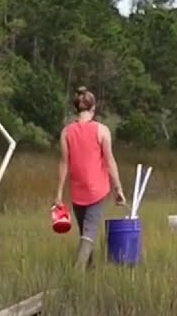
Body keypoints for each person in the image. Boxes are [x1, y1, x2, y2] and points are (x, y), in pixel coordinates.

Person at [54, 87, 125, 269]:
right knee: (89, 234)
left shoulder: (66, 132)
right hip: (97, 189)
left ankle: (90, 272)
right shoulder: (102, 131)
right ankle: (76, 275)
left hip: (77, 190)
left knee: (86, 233)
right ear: (93, 108)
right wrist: (118, 189)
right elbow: (110, 161)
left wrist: (59, 194)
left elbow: (64, 164)